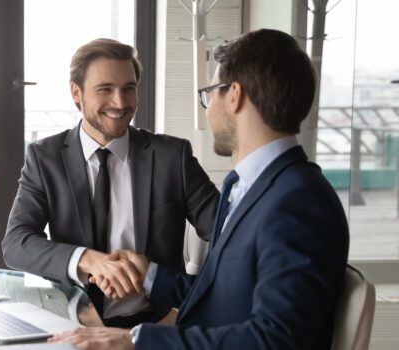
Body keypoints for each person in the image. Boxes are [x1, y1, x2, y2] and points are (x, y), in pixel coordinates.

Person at [49, 29, 350, 349]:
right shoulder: (253, 188)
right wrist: (149, 276)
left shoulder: (298, 202)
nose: (207, 109)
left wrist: (136, 340)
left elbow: (276, 340)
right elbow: (224, 297)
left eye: (209, 93)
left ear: (234, 95)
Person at [1, 38, 219, 327]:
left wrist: (190, 308)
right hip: (76, 325)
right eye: (105, 89)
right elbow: (16, 243)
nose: (120, 102)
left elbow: (230, 232)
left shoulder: (172, 157)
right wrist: (87, 259)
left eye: (129, 89)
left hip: (155, 326)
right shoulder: (45, 158)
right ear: (76, 93)